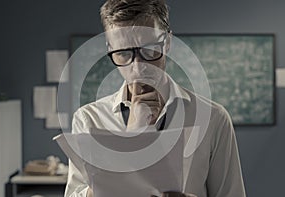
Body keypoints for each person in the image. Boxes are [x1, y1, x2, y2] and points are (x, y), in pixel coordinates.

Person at [65, 0, 246, 197]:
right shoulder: (88, 119)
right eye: (123, 53)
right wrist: (124, 151)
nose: (139, 66)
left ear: (167, 42)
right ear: (110, 50)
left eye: (149, 49)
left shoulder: (214, 118)